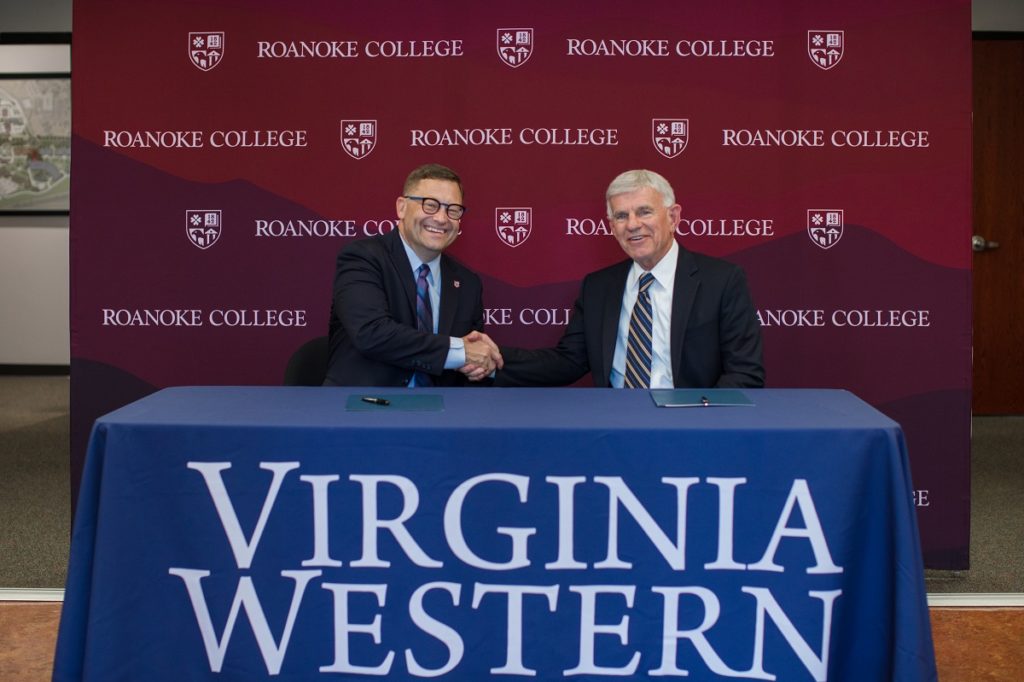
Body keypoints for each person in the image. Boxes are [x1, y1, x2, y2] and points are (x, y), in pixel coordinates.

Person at [492, 169, 764, 388]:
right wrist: (493, 360)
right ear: (612, 227)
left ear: (673, 217)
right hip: (615, 426)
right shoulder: (598, 286)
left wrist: (700, 425)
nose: (633, 224)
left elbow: (744, 373)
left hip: (691, 426)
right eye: (621, 216)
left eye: (644, 211)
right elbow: (568, 361)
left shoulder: (723, 280)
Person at [325, 163, 502, 386]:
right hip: (364, 409)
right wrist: (459, 351)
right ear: (401, 207)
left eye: (453, 209)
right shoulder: (363, 258)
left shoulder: (468, 282)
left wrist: (480, 363)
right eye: (430, 205)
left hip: (442, 412)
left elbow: (471, 360)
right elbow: (371, 334)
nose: (441, 218)